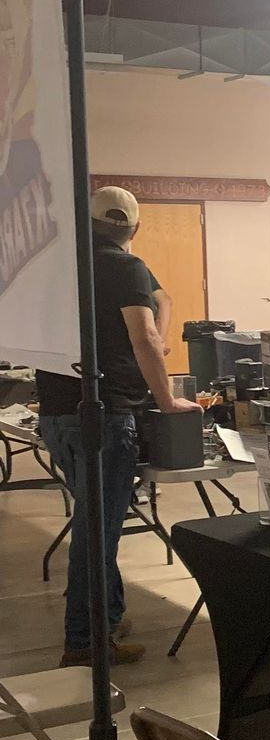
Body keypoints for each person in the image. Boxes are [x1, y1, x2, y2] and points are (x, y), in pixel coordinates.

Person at [35, 186, 201, 666]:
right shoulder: (125, 266)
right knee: (98, 533)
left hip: (57, 412)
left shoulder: (56, 265)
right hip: (103, 414)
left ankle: (106, 615)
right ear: (134, 228)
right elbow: (144, 335)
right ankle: (84, 641)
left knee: (94, 521)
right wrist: (166, 400)